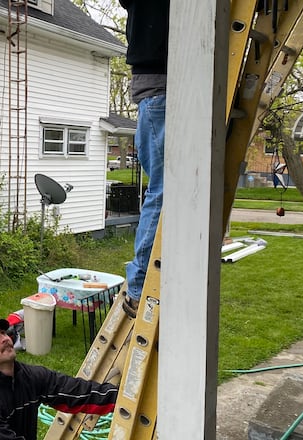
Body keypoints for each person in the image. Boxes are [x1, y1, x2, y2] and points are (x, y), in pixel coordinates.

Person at [0, 320, 118, 440]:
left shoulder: (29, 377)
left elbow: (75, 392)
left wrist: (121, 398)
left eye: (3, 333)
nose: (5, 338)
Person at [119, 0, 170, 318]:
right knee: (164, 191)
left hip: (158, 85)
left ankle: (140, 280)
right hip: (159, 87)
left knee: (163, 189)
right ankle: (138, 286)